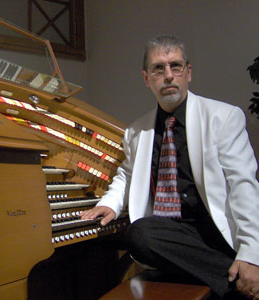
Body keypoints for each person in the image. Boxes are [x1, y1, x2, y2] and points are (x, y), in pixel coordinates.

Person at [80, 35, 259, 299]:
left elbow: (243, 185)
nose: (168, 75)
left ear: (188, 73)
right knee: (139, 234)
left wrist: (252, 254)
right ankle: (235, 284)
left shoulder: (223, 117)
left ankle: (237, 278)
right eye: (158, 68)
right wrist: (111, 203)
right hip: (171, 236)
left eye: (176, 66)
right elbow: (127, 173)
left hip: (216, 232)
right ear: (146, 78)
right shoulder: (136, 131)